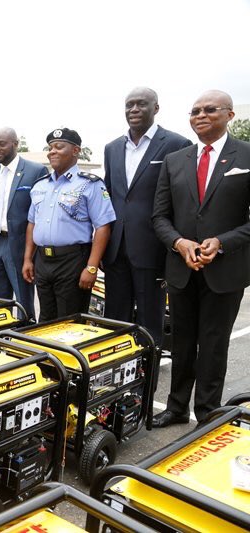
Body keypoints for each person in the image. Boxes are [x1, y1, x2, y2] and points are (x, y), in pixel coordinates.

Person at [151, 90, 250, 426]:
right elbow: (159, 217)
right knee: (181, 341)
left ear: (230, 115)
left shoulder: (246, 157)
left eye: (210, 110)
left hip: (225, 270)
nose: (200, 116)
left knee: (213, 342)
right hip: (181, 268)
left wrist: (221, 242)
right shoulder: (175, 160)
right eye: (194, 111)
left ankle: (208, 411)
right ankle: (177, 407)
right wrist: (179, 243)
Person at [103, 87, 192, 347]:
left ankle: (148, 382)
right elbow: (111, 196)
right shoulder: (112, 148)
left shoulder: (177, 145)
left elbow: (181, 200)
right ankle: (117, 378)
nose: (134, 110)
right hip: (116, 249)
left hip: (152, 248)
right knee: (114, 320)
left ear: (156, 108)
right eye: (129, 105)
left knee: (149, 321)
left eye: (141, 104)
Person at [23, 128, 115, 321]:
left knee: (70, 321)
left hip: (72, 260)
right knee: (45, 319)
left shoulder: (90, 184)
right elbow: (32, 223)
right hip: (43, 260)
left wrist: (91, 268)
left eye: (58, 147)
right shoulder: (40, 185)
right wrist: (27, 259)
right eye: (50, 148)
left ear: (75, 151)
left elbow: (103, 226)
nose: (52, 152)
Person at [0, 128, 46, 321]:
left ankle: (25, 340)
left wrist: (31, 254)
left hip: (20, 245)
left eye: (1, 144)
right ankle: (0, 339)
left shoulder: (35, 171)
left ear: (15, 144)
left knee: (23, 303)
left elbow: (39, 214)